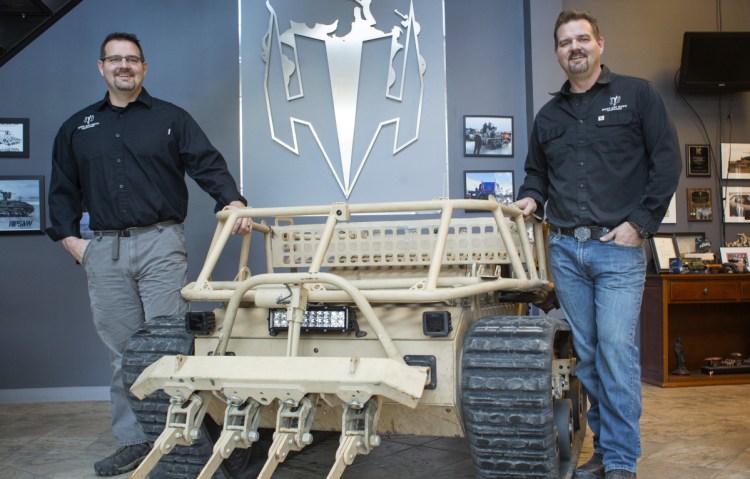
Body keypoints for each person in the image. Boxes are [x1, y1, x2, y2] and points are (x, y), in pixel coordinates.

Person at [46, 32, 251, 477]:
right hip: (104, 249)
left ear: (144, 67)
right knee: (123, 352)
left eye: (133, 59)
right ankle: (136, 441)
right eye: (115, 59)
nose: (124, 66)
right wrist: (73, 242)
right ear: (101, 67)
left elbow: (208, 165)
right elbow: (62, 190)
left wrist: (231, 202)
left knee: (168, 346)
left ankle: (185, 439)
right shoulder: (77, 128)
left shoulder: (172, 119)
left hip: (161, 243)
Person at [515, 10, 681, 479]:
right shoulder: (548, 116)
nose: (575, 48)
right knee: (587, 357)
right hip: (566, 252)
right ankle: (605, 454)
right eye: (566, 42)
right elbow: (537, 174)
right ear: (557, 53)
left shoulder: (638, 96)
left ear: (600, 44)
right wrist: (530, 197)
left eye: (582, 39)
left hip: (618, 250)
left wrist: (641, 224)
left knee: (614, 349)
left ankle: (623, 460)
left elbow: (667, 162)